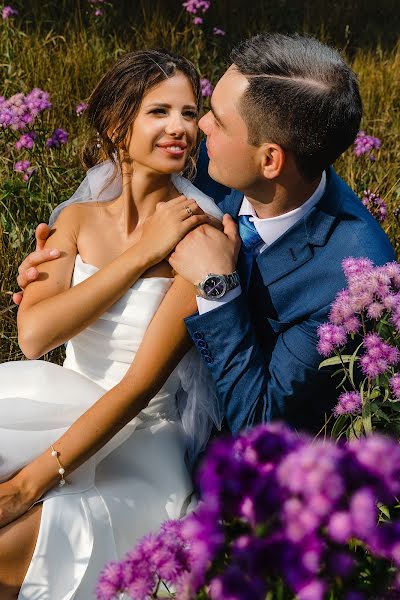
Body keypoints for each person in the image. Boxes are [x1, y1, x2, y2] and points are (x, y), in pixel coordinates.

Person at [20, 34, 396, 438]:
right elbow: (125, 188)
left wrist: (219, 291)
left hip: (199, 443)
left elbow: (259, 421)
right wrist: (66, 272)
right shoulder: (214, 154)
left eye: (215, 119)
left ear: (269, 159)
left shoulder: (354, 279)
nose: (194, 127)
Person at [0, 49, 228, 599]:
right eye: (159, 112)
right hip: (61, 399)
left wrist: (29, 483)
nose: (180, 127)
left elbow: (138, 387)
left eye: (188, 111)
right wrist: (137, 255)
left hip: (140, 439)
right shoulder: (76, 219)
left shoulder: (202, 238)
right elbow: (35, 337)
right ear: (116, 125)